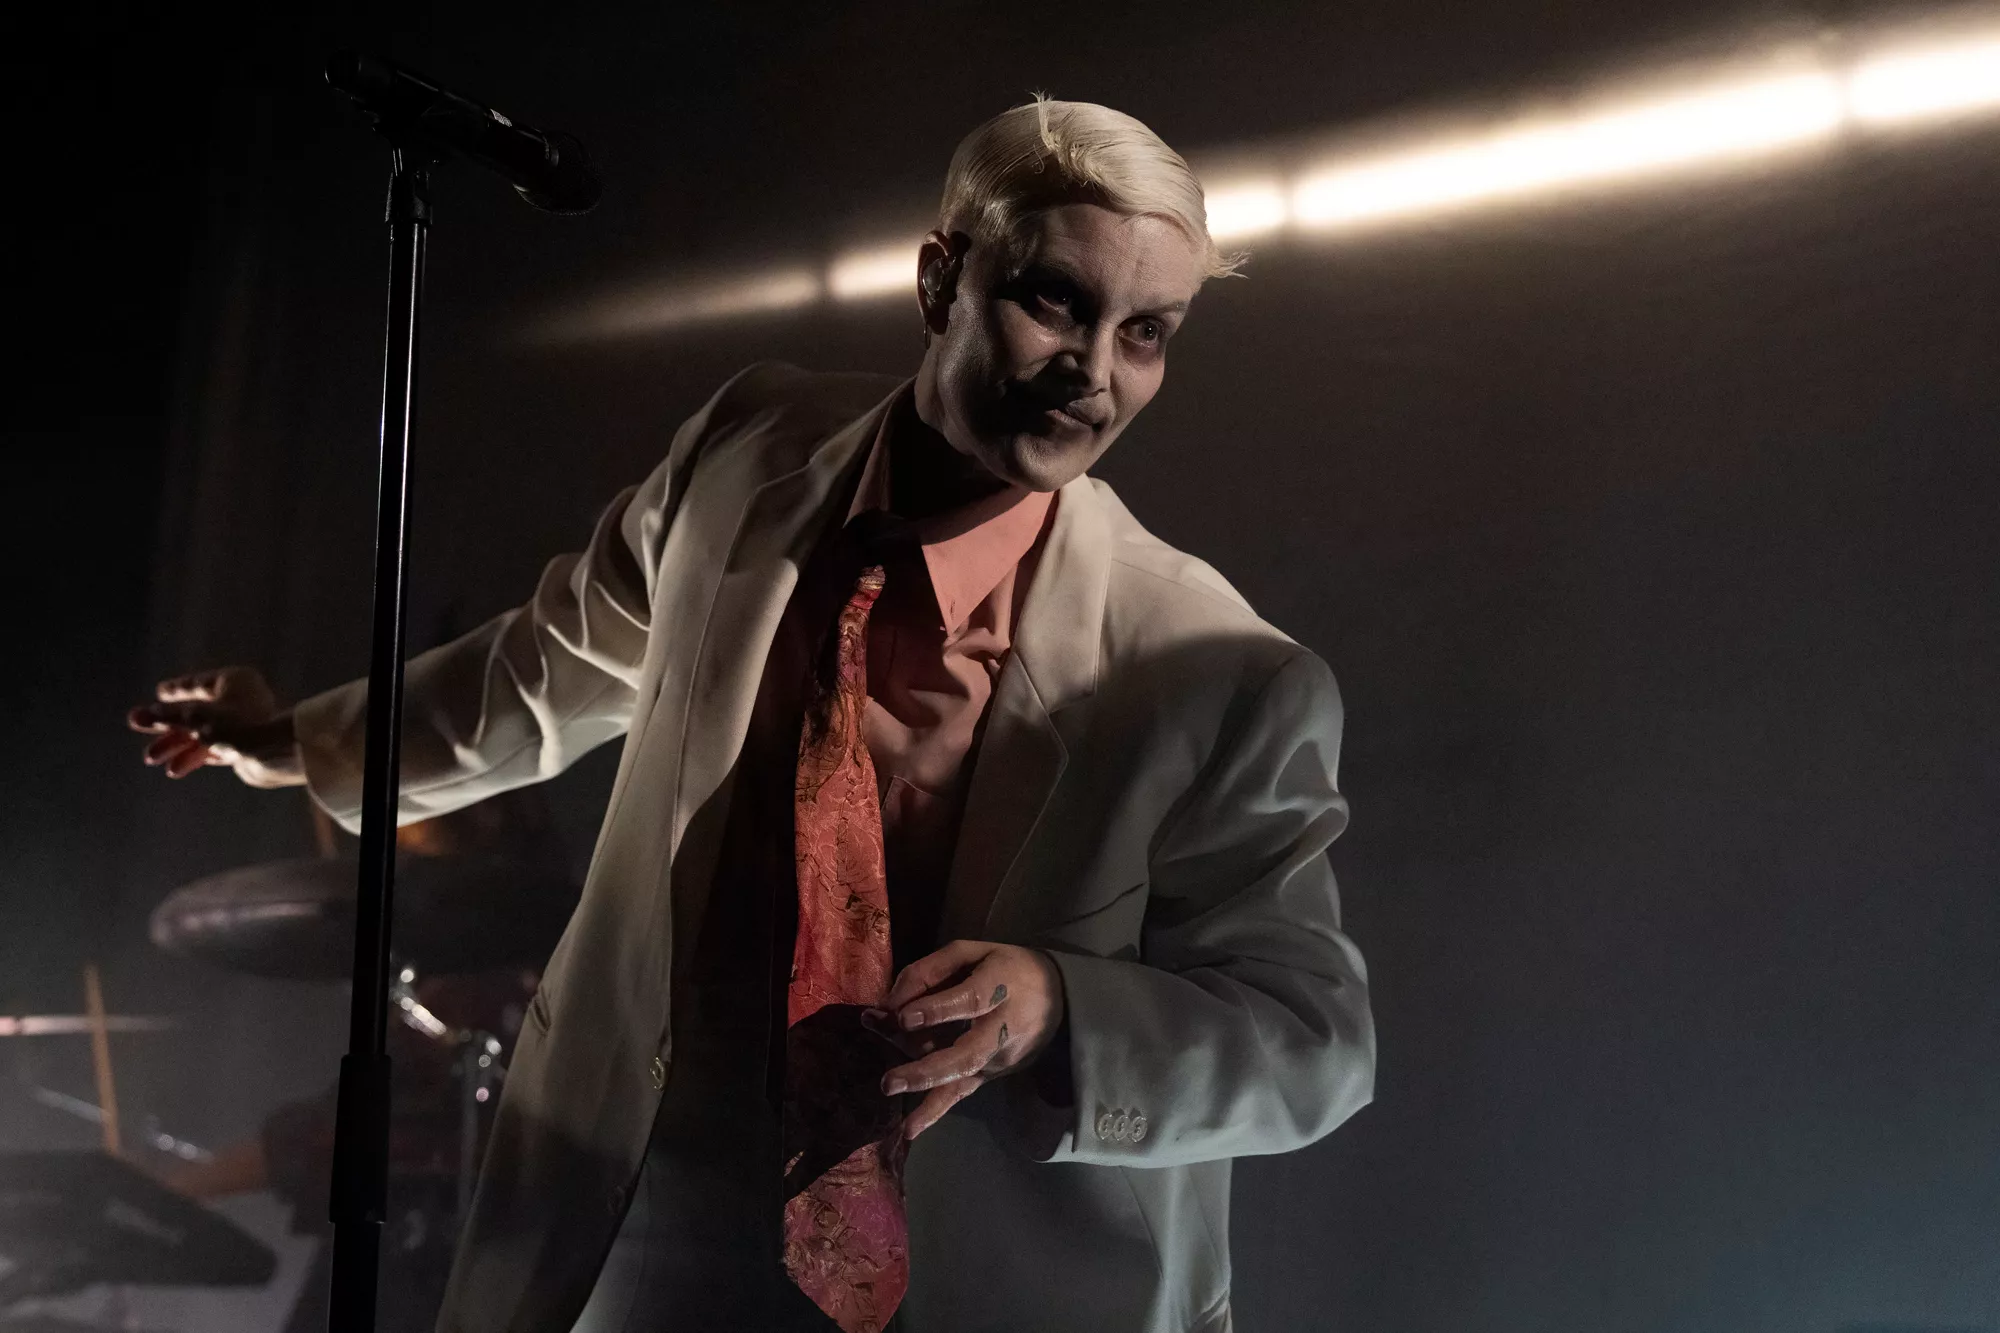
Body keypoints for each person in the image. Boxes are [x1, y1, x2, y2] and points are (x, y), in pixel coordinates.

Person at [129, 97, 1375, 1333]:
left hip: (990, 1279)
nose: (1091, 372)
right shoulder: (748, 446)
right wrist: (294, 739)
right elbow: (543, 669)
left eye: (1144, 332)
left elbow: (1312, 1040)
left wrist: (1056, 1009)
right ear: (938, 279)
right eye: (1053, 301)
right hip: (647, 1219)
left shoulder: (1221, 675)